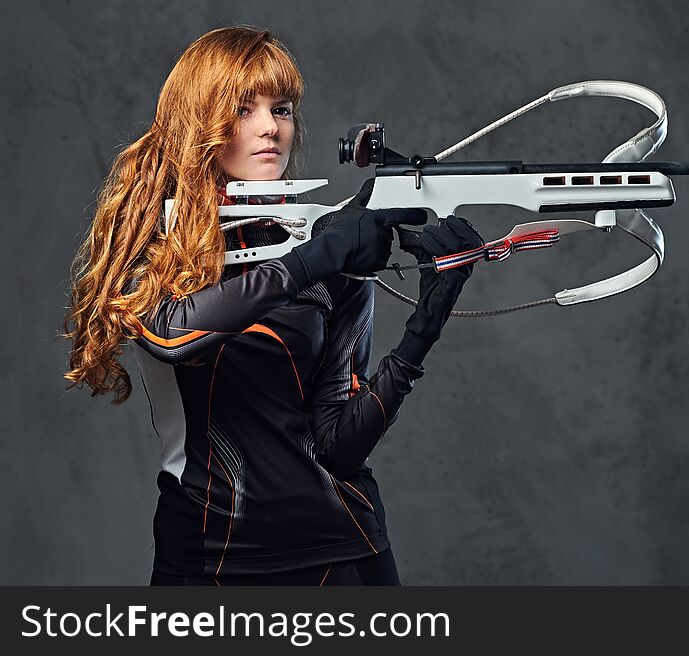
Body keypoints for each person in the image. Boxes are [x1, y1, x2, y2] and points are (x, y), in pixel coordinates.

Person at [62, 26, 483, 586]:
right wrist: (314, 260)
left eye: (281, 109)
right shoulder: (160, 254)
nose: (270, 128)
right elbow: (171, 336)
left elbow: (336, 445)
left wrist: (424, 325)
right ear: (198, 126)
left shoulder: (327, 249)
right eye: (243, 108)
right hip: (206, 557)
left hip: (343, 554)